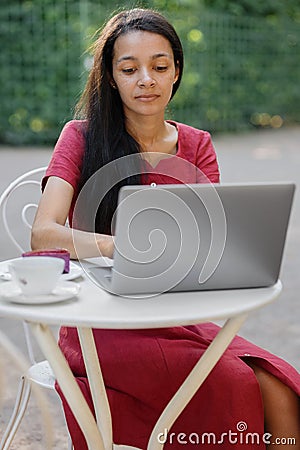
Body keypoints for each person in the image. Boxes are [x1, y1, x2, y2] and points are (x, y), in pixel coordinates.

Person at [31, 8, 299, 450]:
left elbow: (211, 242)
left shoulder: (197, 144)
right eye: (129, 68)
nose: (146, 80)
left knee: (281, 389)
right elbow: (43, 235)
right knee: (235, 384)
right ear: (111, 77)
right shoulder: (79, 136)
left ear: (176, 72)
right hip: (99, 324)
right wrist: (126, 247)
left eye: (159, 67)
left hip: (175, 316)